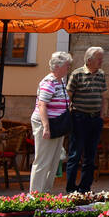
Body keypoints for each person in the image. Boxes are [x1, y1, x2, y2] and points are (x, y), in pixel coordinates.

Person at [65, 46, 108, 193]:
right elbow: (68, 96)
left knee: (91, 155)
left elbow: (103, 97)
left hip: (95, 119)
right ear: (89, 60)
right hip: (79, 118)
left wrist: (101, 116)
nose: (101, 61)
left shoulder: (101, 75)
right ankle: (71, 189)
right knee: (75, 154)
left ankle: (85, 188)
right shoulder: (77, 74)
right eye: (99, 59)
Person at [30, 51, 73, 193]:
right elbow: (42, 104)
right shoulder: (49, 82)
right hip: (48, 124)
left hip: (58, 125)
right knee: (43, 161)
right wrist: (46, 127)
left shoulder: (60, 81)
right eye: (67, 65)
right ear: (58, 66)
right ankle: (35, 195)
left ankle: (45, 192)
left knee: (54, 161)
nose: (68, 68)